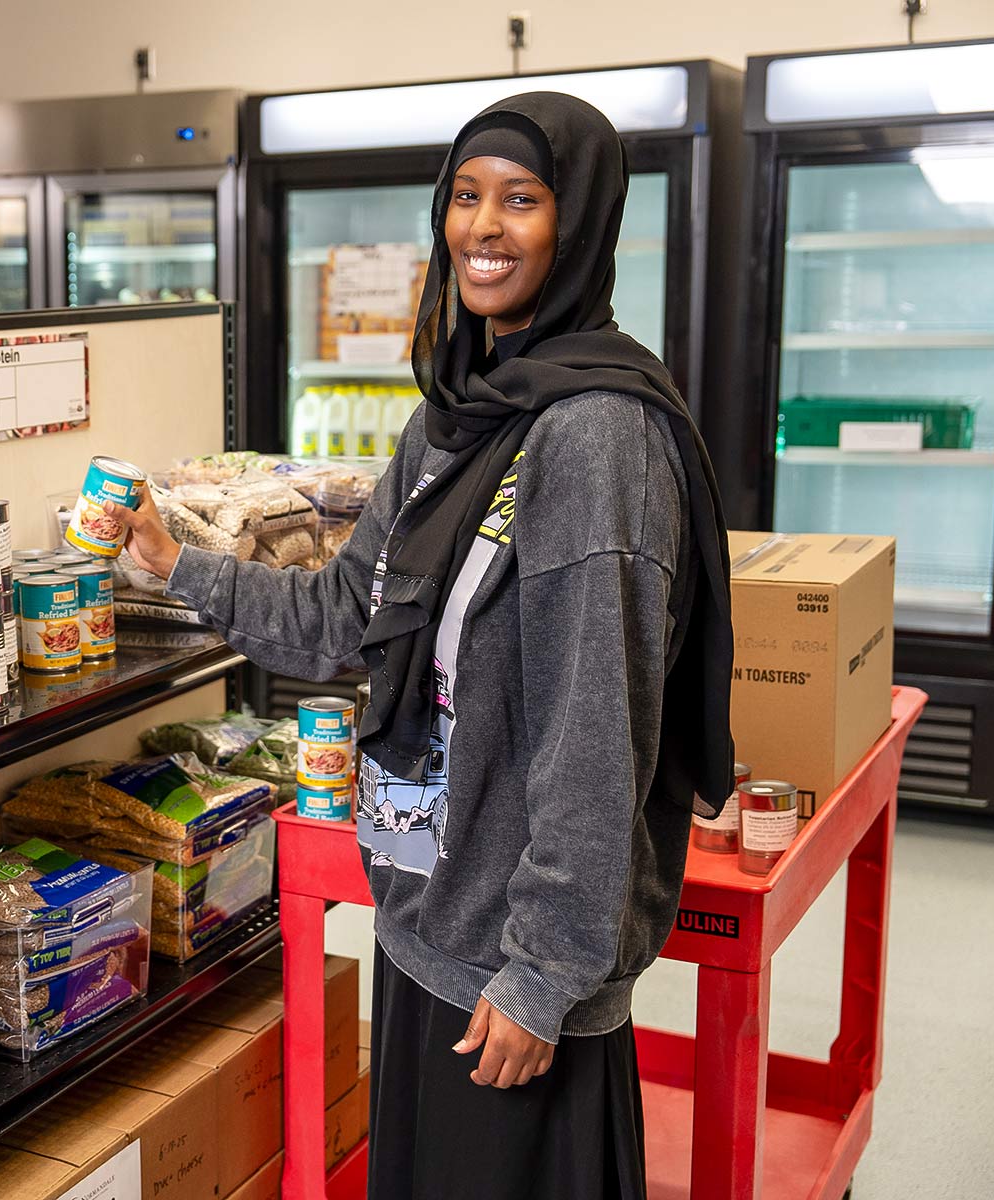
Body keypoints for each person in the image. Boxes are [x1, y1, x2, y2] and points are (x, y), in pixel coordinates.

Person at [109, 92, 734, 1200]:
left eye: (523, 200)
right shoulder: (456, 414)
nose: (483, 227)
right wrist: (176, 564)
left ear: (579, 223)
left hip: (509, 963)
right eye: (466, 195)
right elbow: (351, 615)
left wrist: (543, 977)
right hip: (423, 920)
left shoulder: (595, 436)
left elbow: (597, 732)